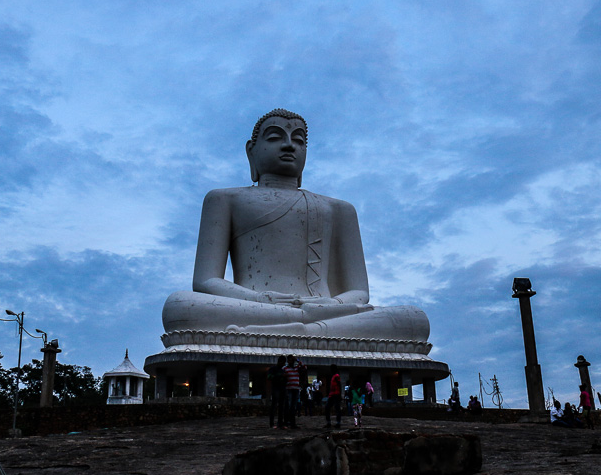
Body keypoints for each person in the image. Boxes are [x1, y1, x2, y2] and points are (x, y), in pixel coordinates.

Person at [160, 110, 430, 341]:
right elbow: (205, 281)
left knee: (412, 318)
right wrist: (262, 300)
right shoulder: (224, 199)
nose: (290, 145)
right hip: (256, 308)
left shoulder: (338, 209)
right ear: (251, 152)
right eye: (276, 137)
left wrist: (330, 304)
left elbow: (360, 293)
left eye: (298, 140)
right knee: (180, 307)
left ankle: (296, 328)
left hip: (325, 310)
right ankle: (308, 328)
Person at [282, 354, 302, 428]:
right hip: (289, 389)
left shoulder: (297, 368)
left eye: (292, 360)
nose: (291, 362)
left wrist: (297, 360)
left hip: (296, 389)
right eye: (290, 360)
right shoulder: (285, 368)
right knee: (288, 406)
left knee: (294, 406)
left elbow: (304, 367)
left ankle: (292, 423)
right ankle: (286, 422)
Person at [267, 355, 286, 429]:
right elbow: (269, 377)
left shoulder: (283, 369)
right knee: (274, 406)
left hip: (282, 389)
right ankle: (272, 423)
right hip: (275, 388)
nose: (284, 364)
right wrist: (280, 375)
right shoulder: (273, 369)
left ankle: (280, 423)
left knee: (282, 406)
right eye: (283, 362)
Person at [324, 363, 342, 428]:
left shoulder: (336, 376)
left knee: (337, 409)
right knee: (327, 408)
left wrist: (340, 394)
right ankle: (328, 422)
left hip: (336, 394)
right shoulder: (333, 376)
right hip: (331, 394)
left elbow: (339, 385)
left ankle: (338, 423)